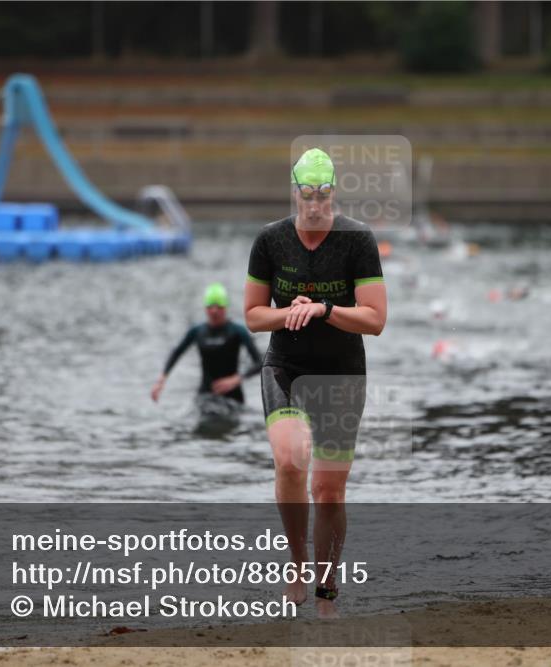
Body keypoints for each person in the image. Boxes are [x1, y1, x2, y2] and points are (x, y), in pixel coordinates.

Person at [243, 148, 387, 618]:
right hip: (284, 366)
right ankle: (297, 565)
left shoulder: (357, 240)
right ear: (294, 193)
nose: (316, 204)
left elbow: (376, 319)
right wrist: (292, 313)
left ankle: (327, 586)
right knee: (288, 461)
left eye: (324, 195)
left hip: (342, 371)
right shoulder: (270, 241)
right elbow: (252, 316)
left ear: (334, 194)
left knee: (328, 490)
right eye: (308, 195)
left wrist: (325, 309)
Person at [151, 283, 262, 411]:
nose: (214, 311)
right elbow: (176, 353)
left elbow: (259, 362)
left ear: (225, 308)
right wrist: (161, 381)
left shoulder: (237, 331)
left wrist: (236, 379)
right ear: (205, 308)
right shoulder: (198, 331)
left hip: (233, 397)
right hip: (205, 395)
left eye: (218, 306)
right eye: (210, 306)